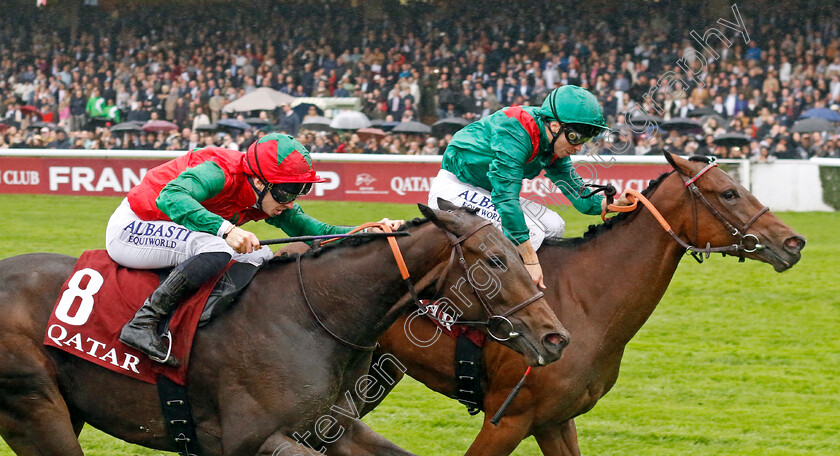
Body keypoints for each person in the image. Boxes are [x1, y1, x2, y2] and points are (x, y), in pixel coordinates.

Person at [107, 133, 401, 365]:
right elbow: (171, 196)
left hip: (174, 231)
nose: (291, 201)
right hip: (132, 228)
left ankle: (214, 325)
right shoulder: (220, 171)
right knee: (215, 246)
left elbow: (316, 234)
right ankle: (142, 324)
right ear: (259, 181)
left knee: (258, 255)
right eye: (287, 191)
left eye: (301, 191)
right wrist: (227, 229)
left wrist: (366, 233)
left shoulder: (266, 195)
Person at [428, 85, 630, 288]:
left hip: (486, 190)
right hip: (454, 187)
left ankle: (529, 290)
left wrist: (612, 204)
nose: (578, 147)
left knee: (555, 225)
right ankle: (482, 297)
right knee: (531, 235)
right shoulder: (516, 129)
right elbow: (506, 198)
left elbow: (581, 196)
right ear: (554, 126)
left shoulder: (554, 144)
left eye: (585, 140)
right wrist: (531, 260)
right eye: (575, 137)